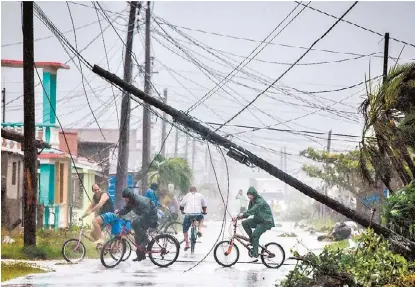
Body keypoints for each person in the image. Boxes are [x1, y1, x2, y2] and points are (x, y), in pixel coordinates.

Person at [115, 188, 159, 262]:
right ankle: (141, 256)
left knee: (135, 224)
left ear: (130, 197)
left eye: (126, 198)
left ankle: (146, 240)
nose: (125, 200)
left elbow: (146, 213)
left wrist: (137, 219)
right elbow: (126, 209)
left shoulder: (140, 201)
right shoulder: (132, 201)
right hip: (145, 215)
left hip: (151, 216)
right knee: (137, 236)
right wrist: (119, 212)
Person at [234, 186, 275, 260]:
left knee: (255, 235)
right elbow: (248, 212)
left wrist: (243, 215)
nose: (249, 197)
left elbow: (254, 209)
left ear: (254, 194)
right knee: (245, 223)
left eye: (250, 195)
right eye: (248, 195)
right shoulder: (251, 201)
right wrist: (239, 217)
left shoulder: (259, 201)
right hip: (258, 220)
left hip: (266, 221)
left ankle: (255, 253)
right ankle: (252, 240)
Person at [180, 186, 207, 251]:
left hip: (188, 215)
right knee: (202, 218)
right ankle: (199, 230)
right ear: (196, 190)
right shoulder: (200, 195)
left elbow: (181, 205)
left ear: (190, 191)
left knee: (185, 229)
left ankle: (187, 244)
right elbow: (204, 205)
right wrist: (204, 211)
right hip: (197, 214)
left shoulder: (187, 196)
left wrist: (182, 211)